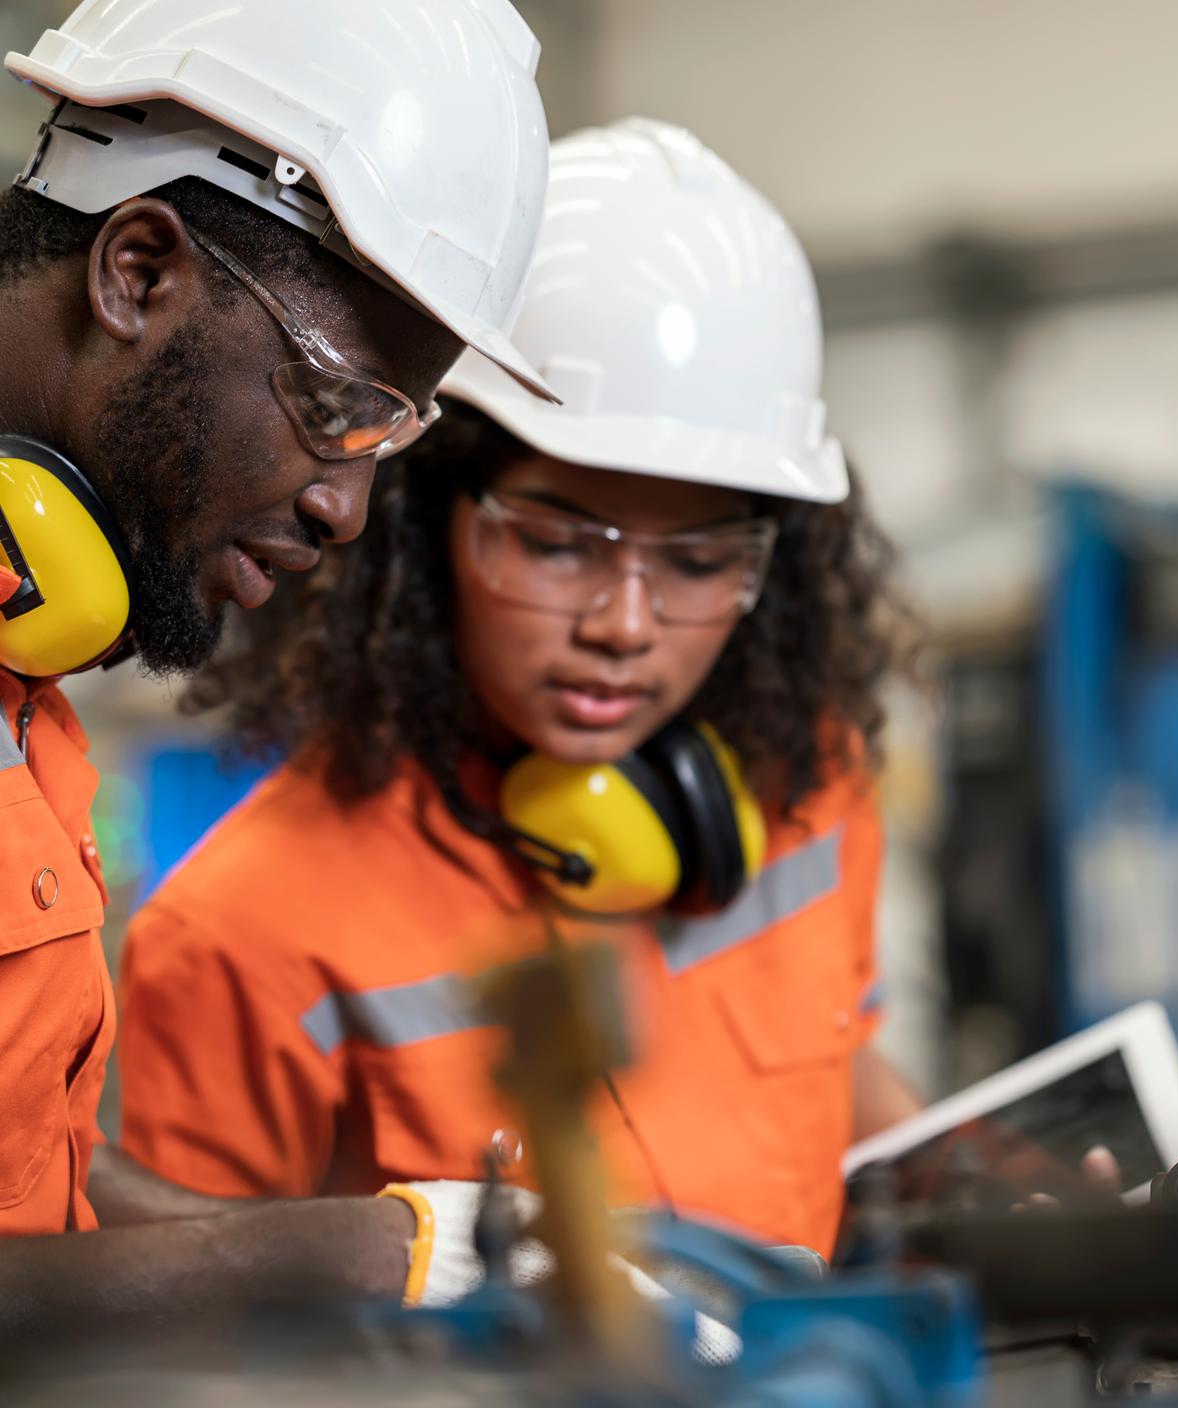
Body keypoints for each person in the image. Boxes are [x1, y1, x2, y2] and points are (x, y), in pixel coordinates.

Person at [117, 119, 923, 1262]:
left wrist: (1002, 1185)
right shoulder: (241, 935)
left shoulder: (813, 791)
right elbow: (194, 1328)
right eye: (557, 546)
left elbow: (839, 1072)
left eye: (697, 565)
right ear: (418, 525)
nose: (624, 627)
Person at [0, 0, 556, 1329]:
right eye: (334, 408)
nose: (343, 514)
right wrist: (329, 1265)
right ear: (138, 270)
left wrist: (407, 1236)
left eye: (386, 445)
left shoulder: (31, 685)